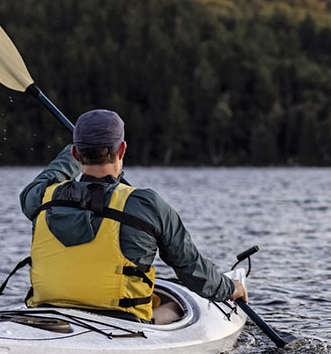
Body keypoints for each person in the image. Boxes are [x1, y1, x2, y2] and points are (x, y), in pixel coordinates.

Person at [18, 108, 246, 324]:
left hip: (47, 314)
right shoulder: (146, 204)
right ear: (123, 149)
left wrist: (74, 149)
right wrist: (231, 288)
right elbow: (192, 270)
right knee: (178, 304)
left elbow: (49, 176)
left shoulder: (41, 198)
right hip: (124, 322)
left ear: (76, 153)